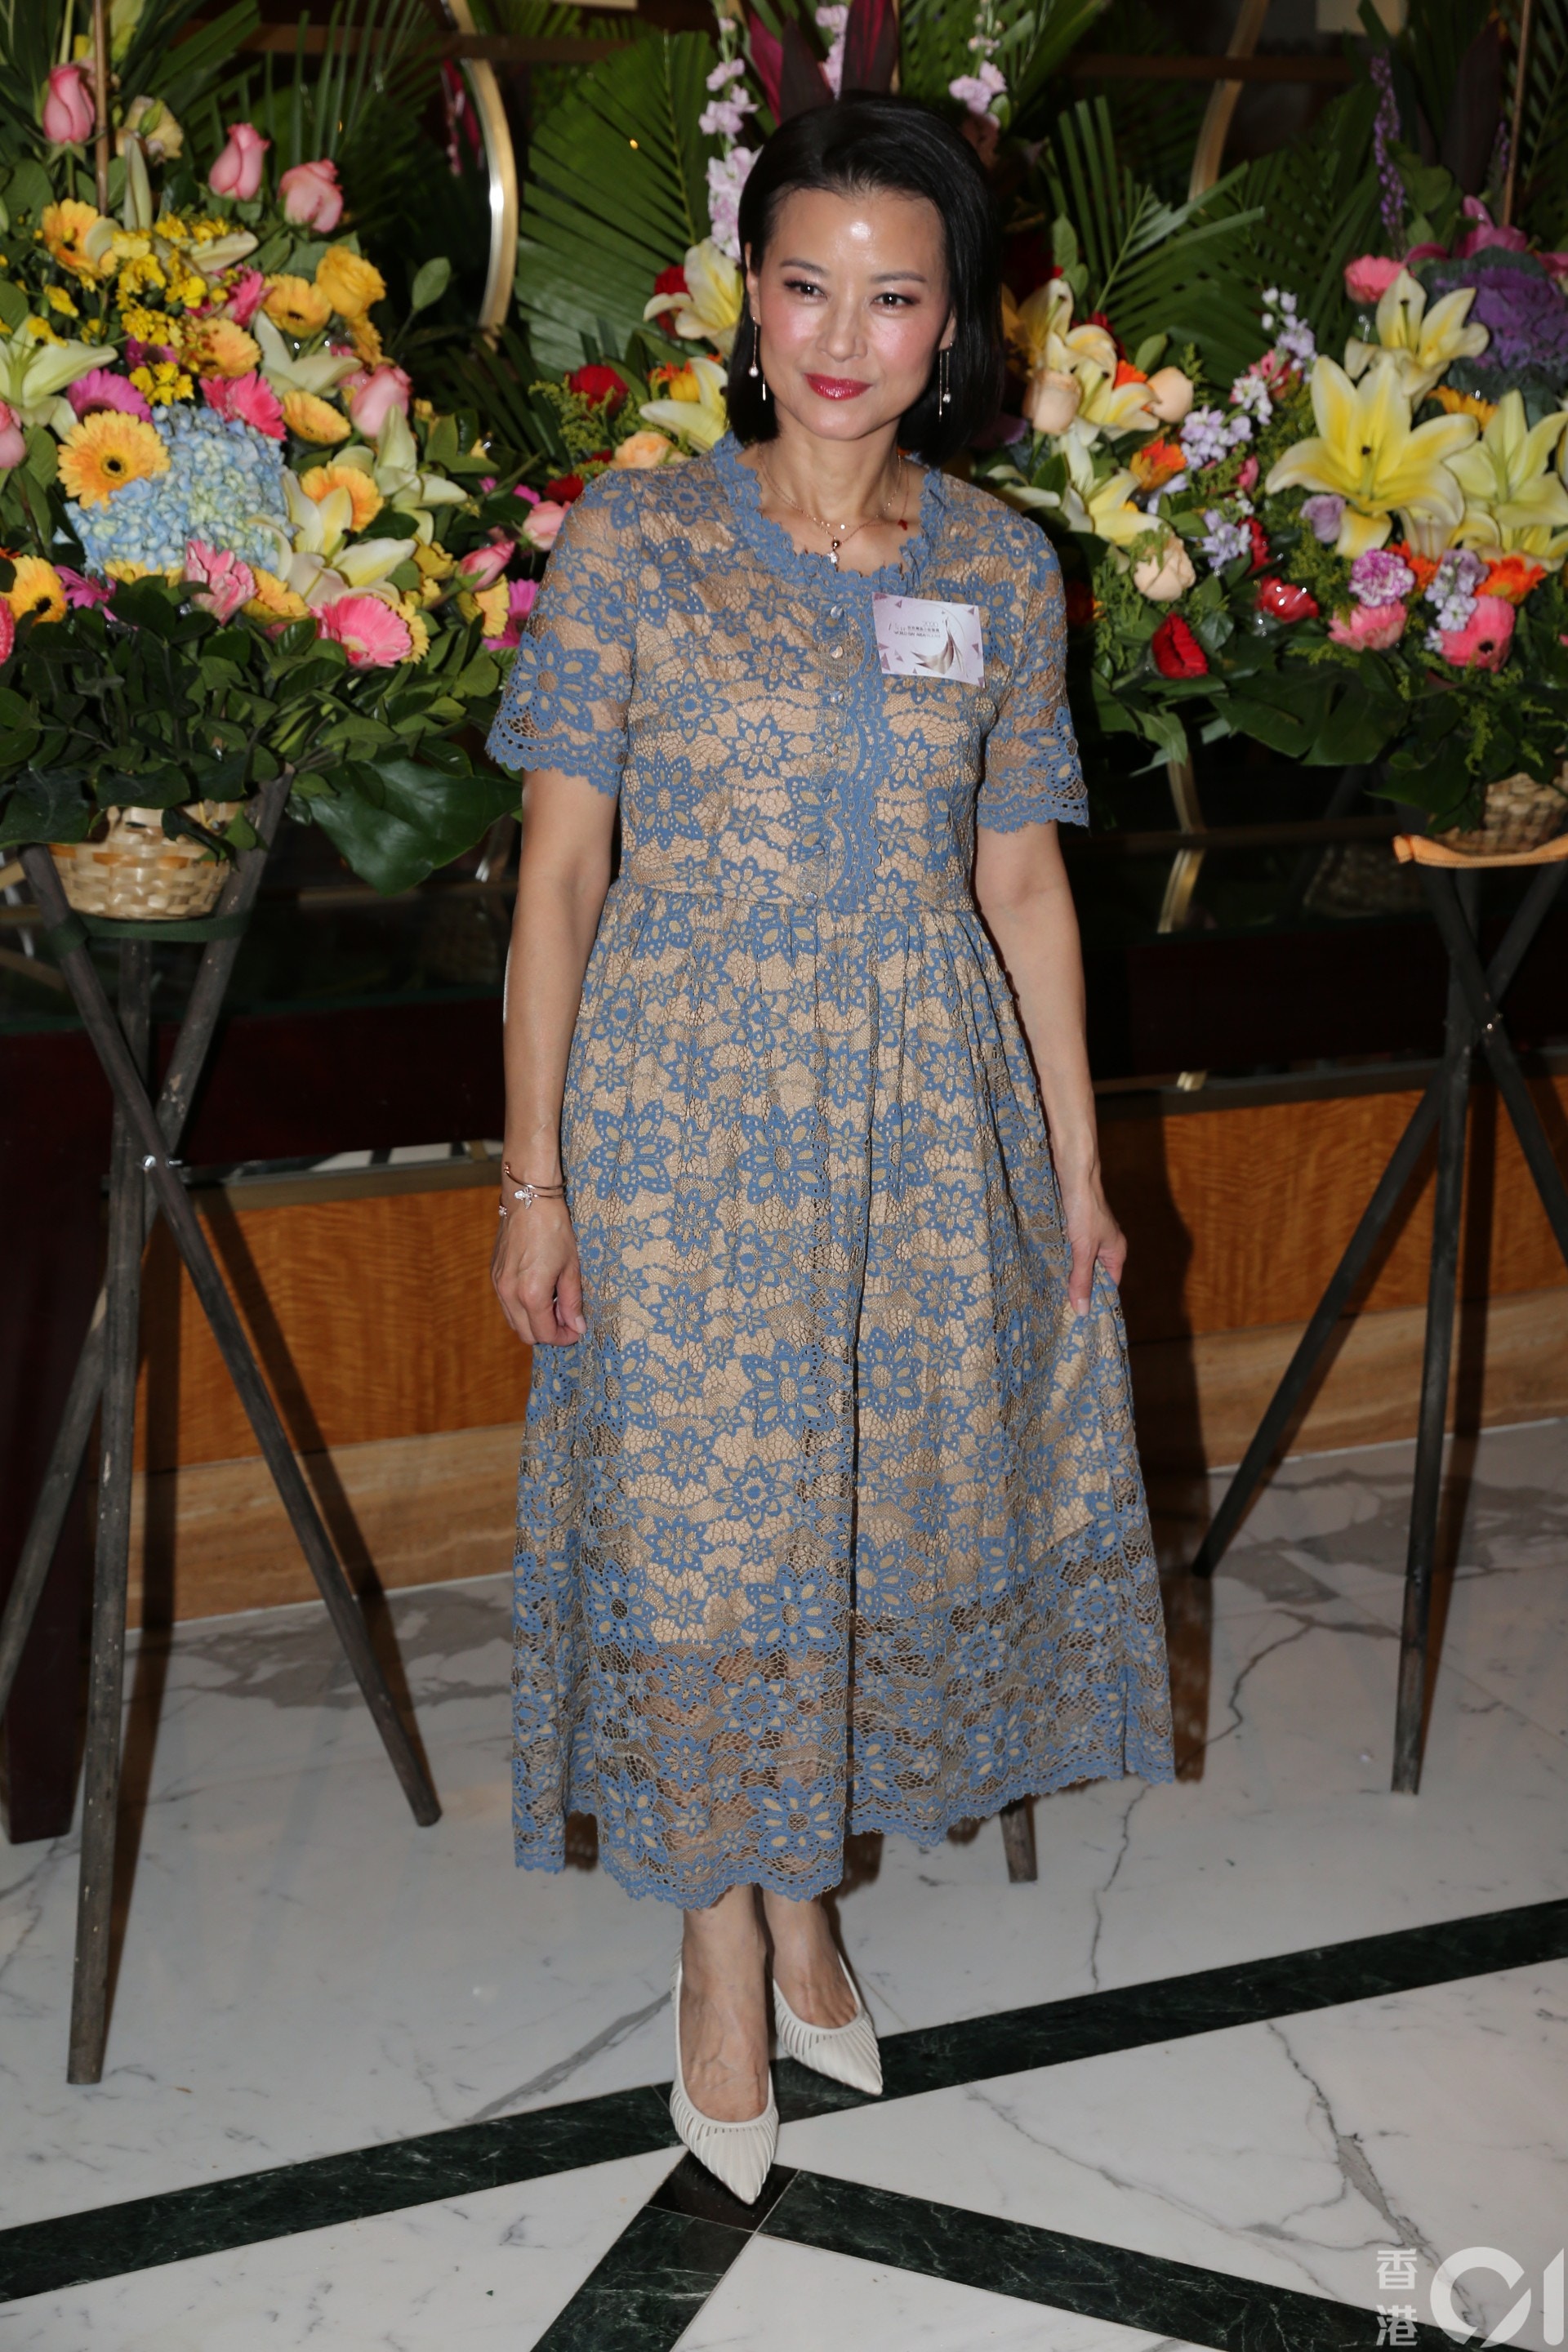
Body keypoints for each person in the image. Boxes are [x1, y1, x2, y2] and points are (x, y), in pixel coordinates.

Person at [486, 93, 1174, 2203]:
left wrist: (1079, 1167)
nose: (845, 338)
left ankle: (803, 1901)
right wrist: (534, 1176)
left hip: (921, 1110)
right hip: (681, 1102)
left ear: (956, 324)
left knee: (859, 1521)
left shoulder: (1001, 566)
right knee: (705, 1535)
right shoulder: (639, 541)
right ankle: (722, 1952)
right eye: (808, 287)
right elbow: (559, 881)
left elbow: (1026, 884)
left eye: (894, 297)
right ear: (750, 298)